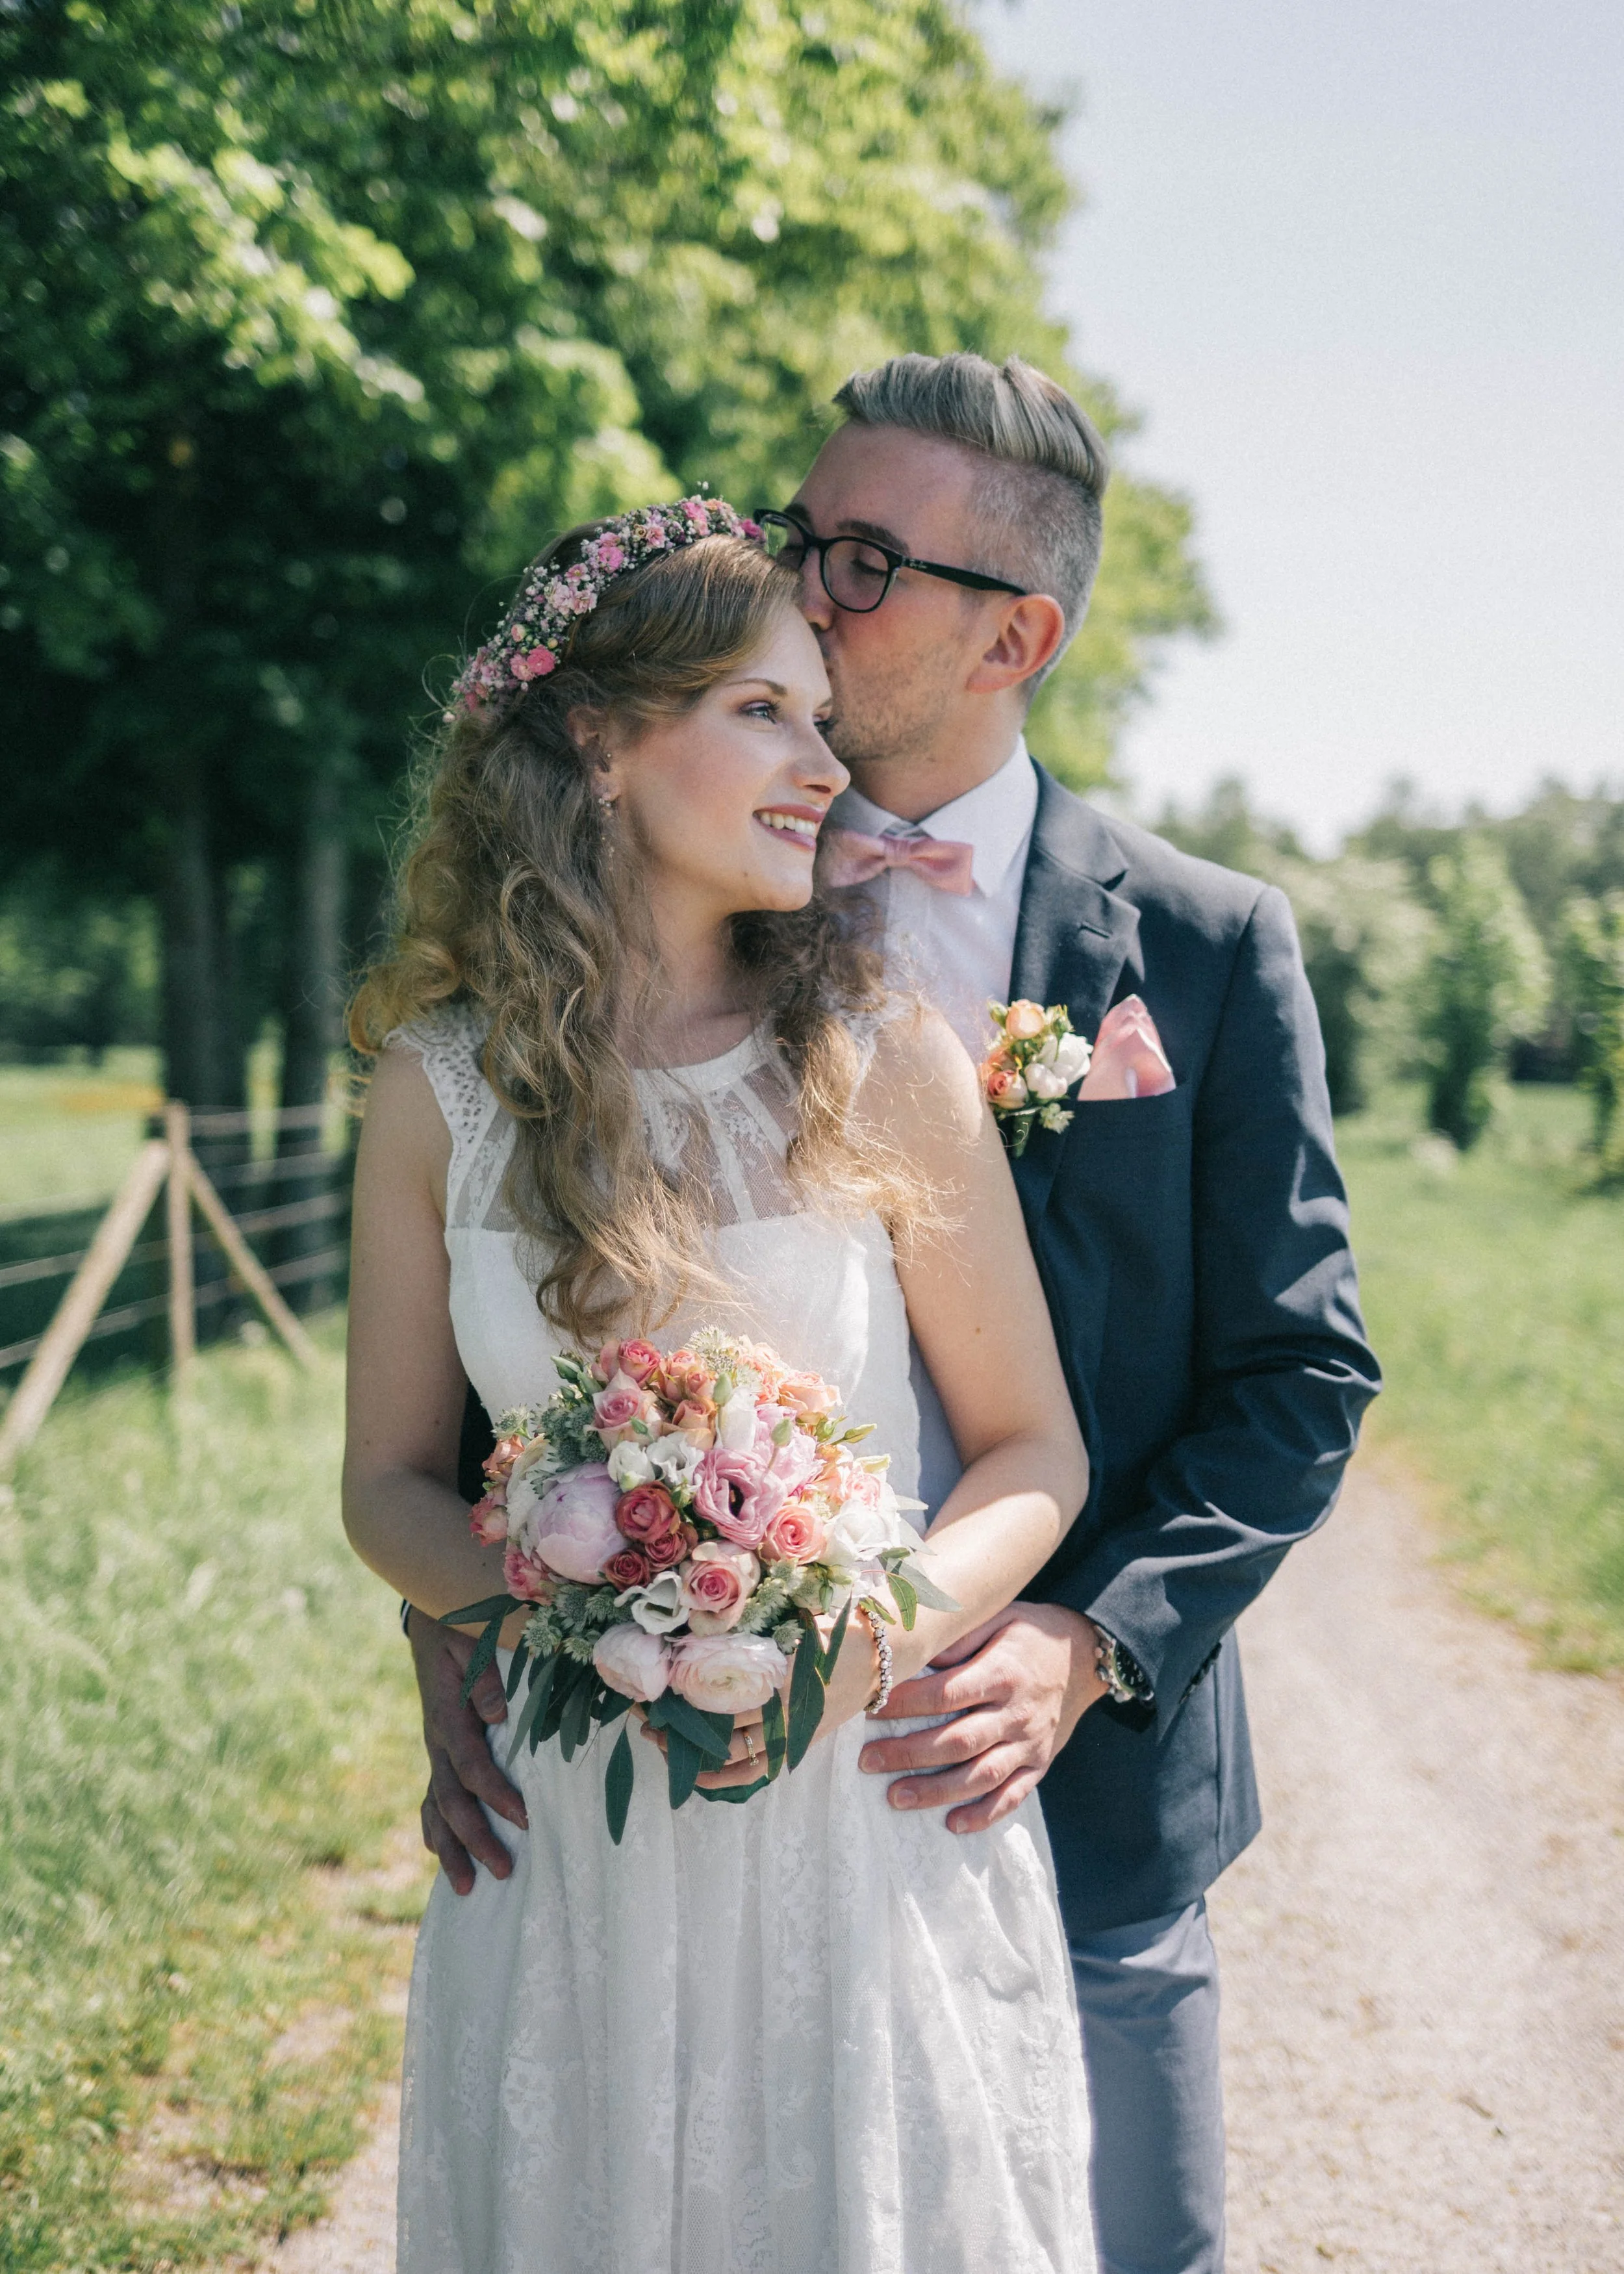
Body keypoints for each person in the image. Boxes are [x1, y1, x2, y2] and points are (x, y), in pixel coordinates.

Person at [411, 357, 1382, 2274]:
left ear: (1012, 631)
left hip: (1053, 1770)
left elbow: (1299, 1368)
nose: (804, 584)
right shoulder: (652, 917)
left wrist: (1085, 1643)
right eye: (802, 537)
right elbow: (507, 1318)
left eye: (859, 560)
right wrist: (455, 1627)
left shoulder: (1195, 946)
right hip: (657, 1790)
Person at [342, 500, 1099, 2271]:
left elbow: (1029, 1446)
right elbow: (384, 1480)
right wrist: (568, 1613)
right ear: (599, 741)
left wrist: (868, 1623)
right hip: (569, 1834)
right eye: (766, 709)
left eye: (824, 721)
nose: (821, 763)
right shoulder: (435, 1093)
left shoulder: (876, 1059)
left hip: (858, 1811)